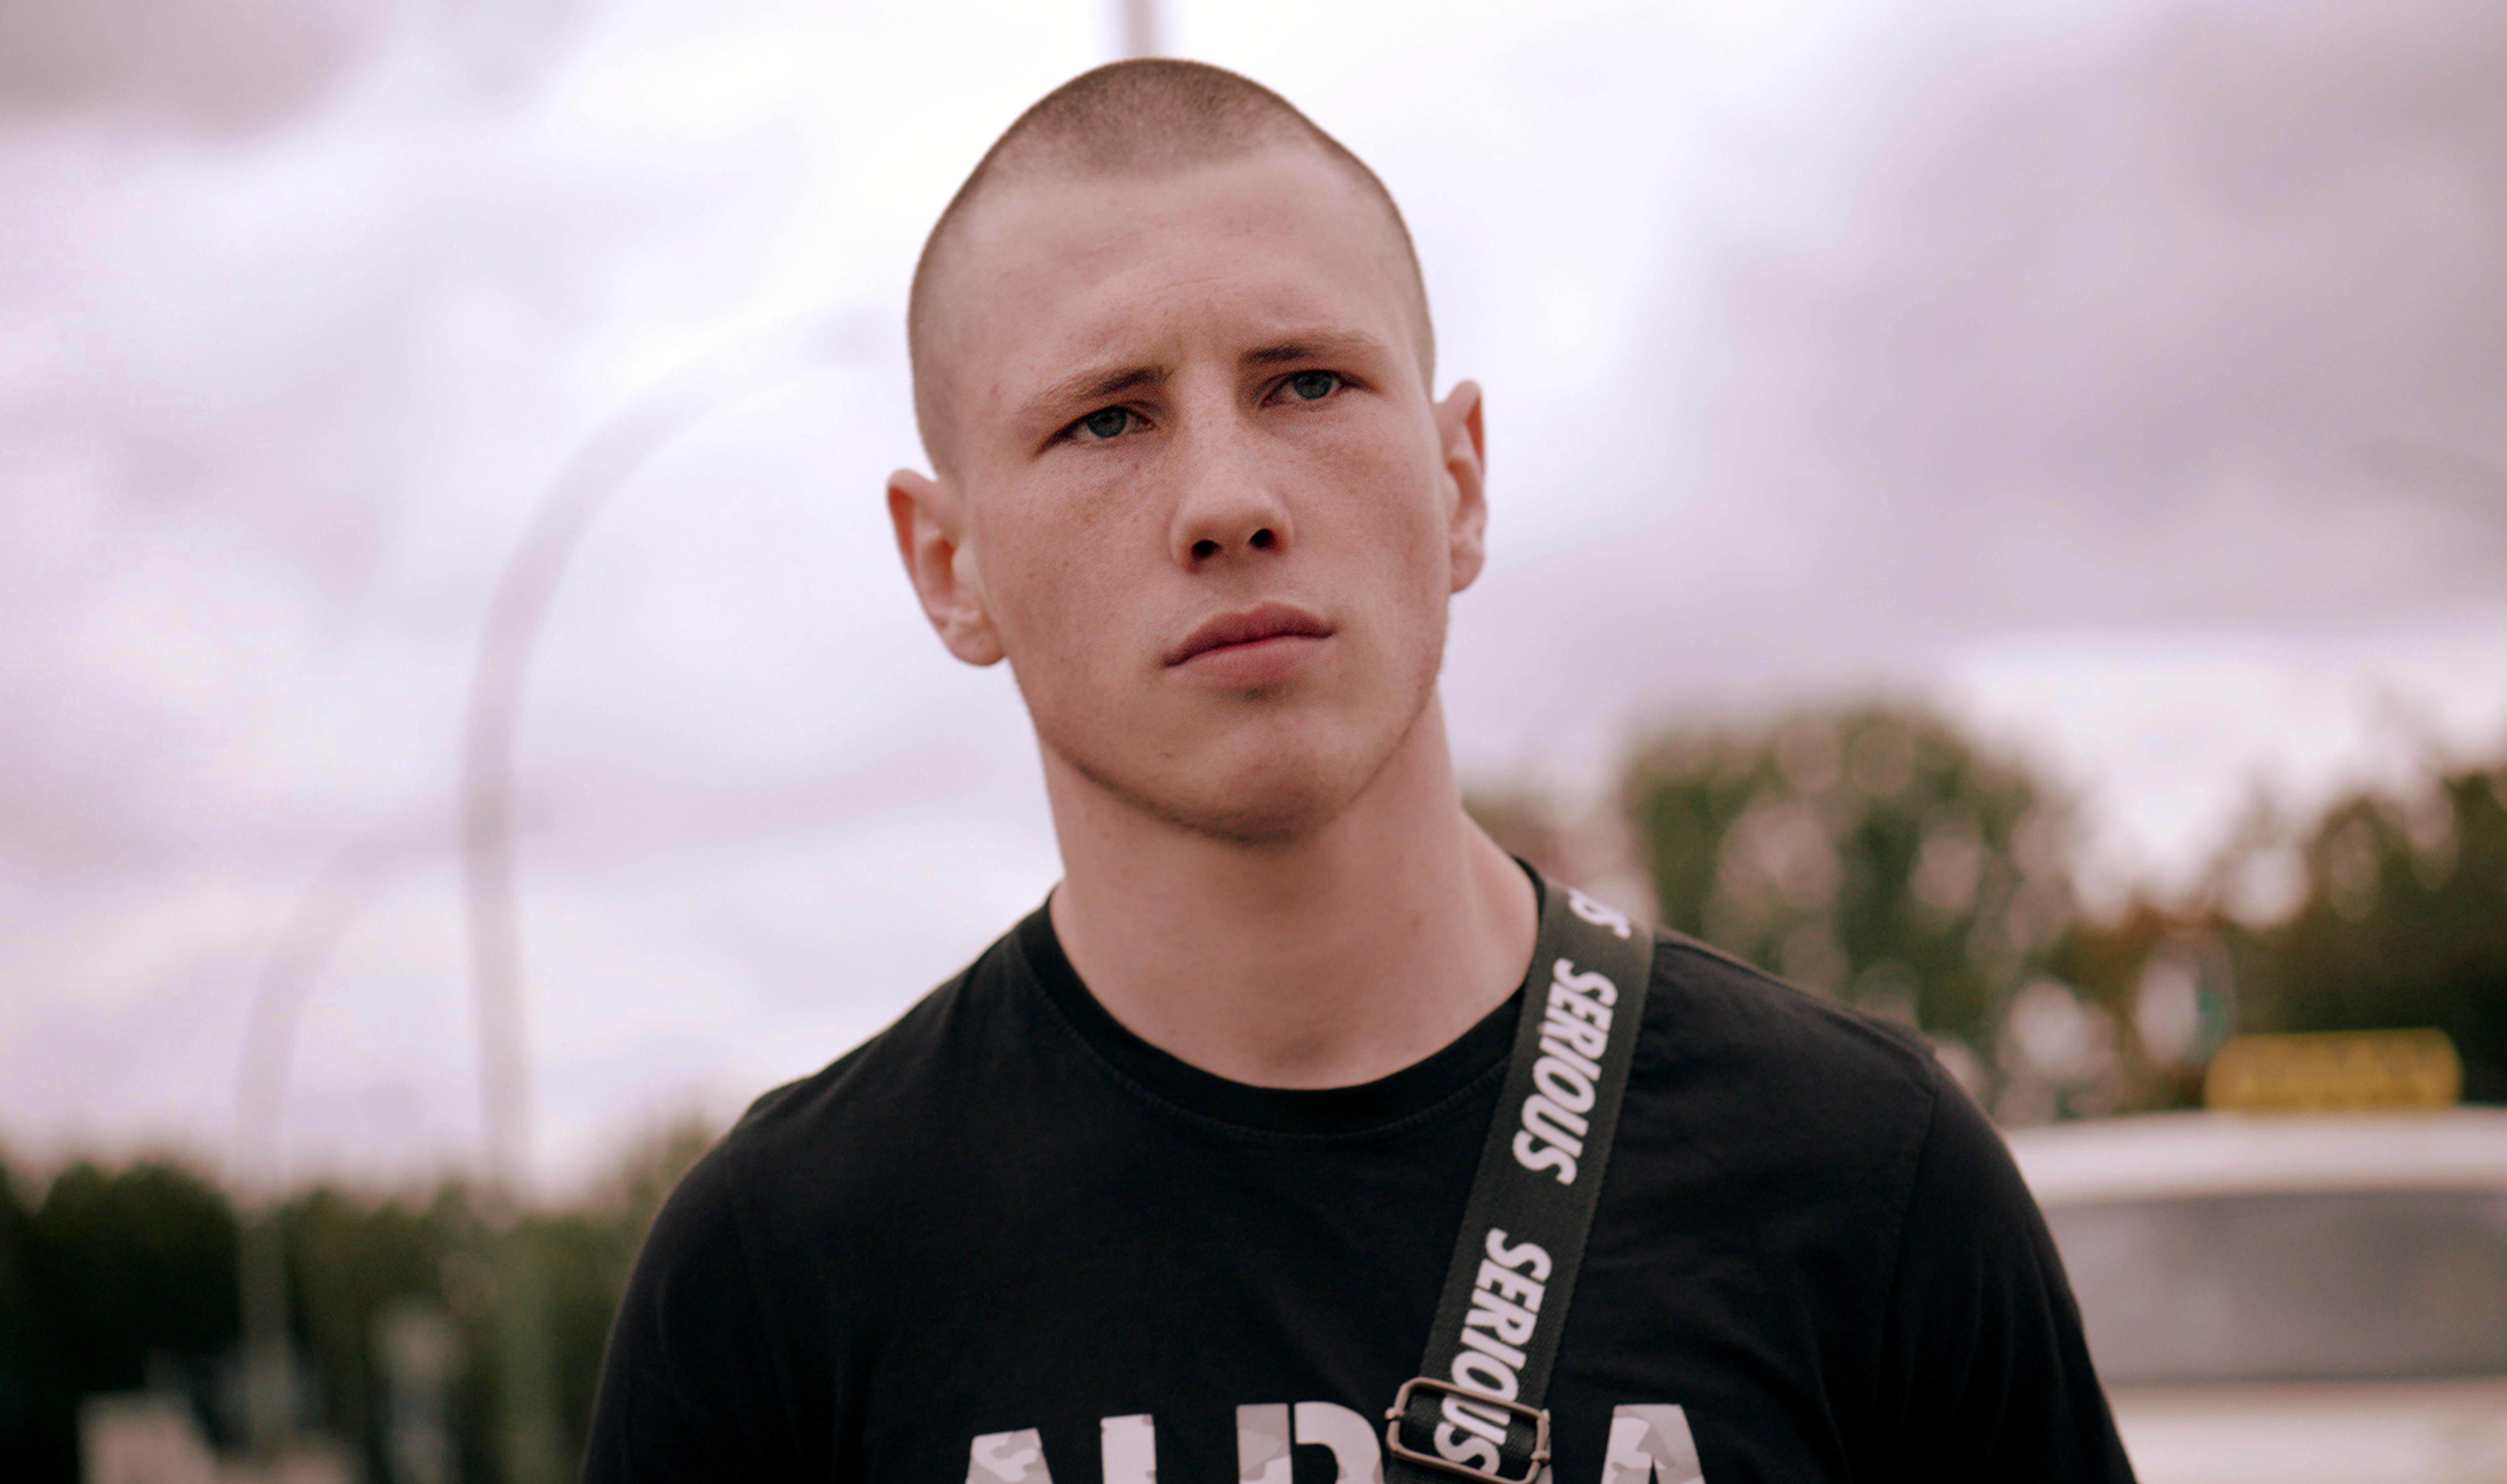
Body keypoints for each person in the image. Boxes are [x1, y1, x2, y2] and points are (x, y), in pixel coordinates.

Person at [583, 58, 2134, 1484]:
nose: (1229, 499)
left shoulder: (1867, 1183)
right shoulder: (782, 1270)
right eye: (1107, 419)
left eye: (1307, 383)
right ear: (948, 566)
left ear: (1458, 483)